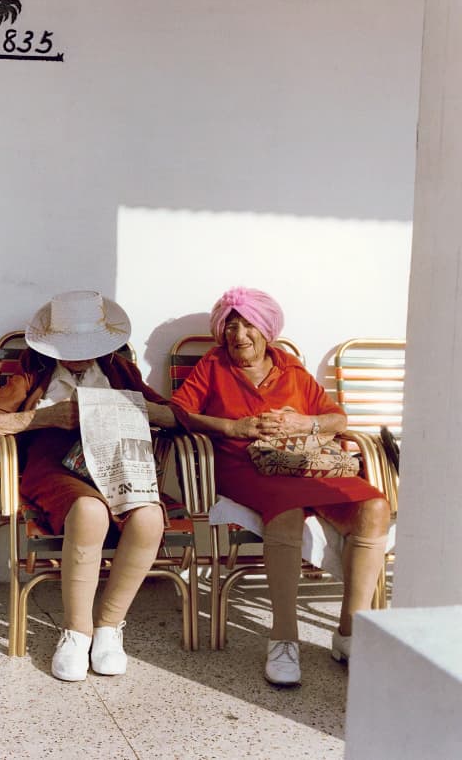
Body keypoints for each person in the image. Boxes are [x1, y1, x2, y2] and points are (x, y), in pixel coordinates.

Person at [169, 287, 390, 687]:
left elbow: (337, 419)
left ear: (266, 330)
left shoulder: (290, 368)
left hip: (302, 464)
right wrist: (233, 427)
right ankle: (284, 639)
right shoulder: (214, 366)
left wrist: (306, 424)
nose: (239, 336)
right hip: (243, 465)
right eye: (231, 326)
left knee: (374, 507)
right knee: (285, 512)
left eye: (249, 325)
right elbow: (178, 413)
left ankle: (350, 633)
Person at [0, 290, 177, 681]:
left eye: (87, 345)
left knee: (149, 518)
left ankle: (109, 628)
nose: (78, 354)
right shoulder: (34, 373)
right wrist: (47, 417)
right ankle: (77, 632)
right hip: (54, 467)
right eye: (68, 345)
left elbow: (173, 417)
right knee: (89, 512)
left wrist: (126, 408)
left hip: (115, 467)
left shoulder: (119, 371)